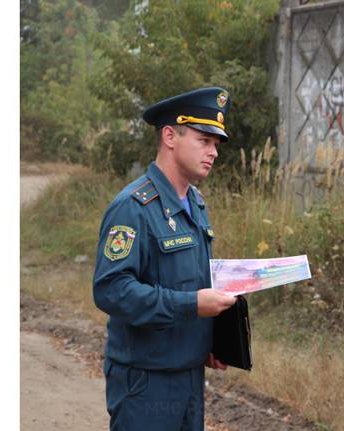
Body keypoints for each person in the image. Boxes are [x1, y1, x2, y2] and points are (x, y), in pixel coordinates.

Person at [93, 87, 238, 431]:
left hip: (188, 374)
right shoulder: (133, 207)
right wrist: (191, 306)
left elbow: (190, 280)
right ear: (170, 136)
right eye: (204, 140)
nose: (213, 152)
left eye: (216, 144)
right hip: (145, 381)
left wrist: (208, 340)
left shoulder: (196, 203)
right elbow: (111, 290)